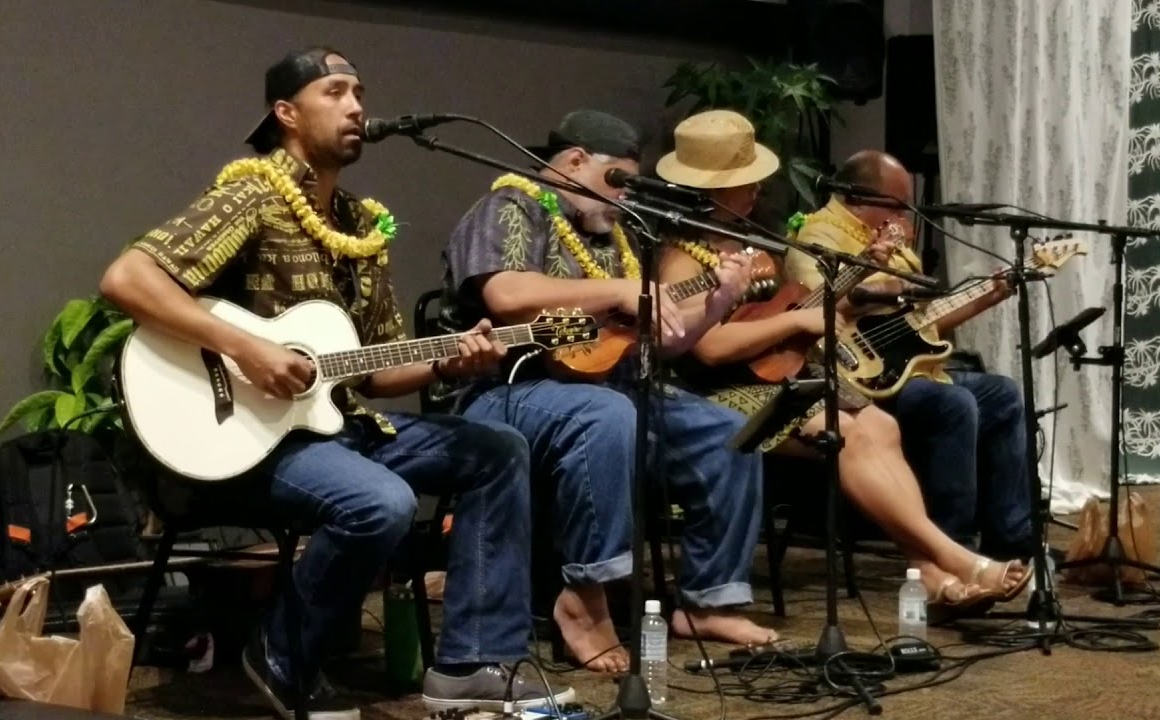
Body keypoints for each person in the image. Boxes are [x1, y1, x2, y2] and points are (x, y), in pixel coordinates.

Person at [100, 48, 571, 720]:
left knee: (497, 448)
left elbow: (375, 372)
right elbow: (127, 280)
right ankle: (281, 654)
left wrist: (449, 360)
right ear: (286, 113)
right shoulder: (252, 194)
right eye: (335, 91)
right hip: (247, 440)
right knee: (380, 503)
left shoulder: (360, 225)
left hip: (337, 426)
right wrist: (248, 347)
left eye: (359, 92)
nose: (356, 106)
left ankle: (470, 665)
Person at [655, 110, 1029, 615]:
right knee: (849, 430)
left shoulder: (749, 241)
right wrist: (793, 326)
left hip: (778, 371)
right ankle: (947, 559)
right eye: (745, 183)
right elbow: (708, 349)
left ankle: (935, 576)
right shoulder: (681, 254)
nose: (758, 190)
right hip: (719, 388)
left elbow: (801, 308)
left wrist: (843, 290)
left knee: (880, 426)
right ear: (713, 189)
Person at [440, 109, 773, 674]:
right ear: (574, 161)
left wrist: (717, 302)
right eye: (614, 179)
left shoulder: (612, 232)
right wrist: (620, 287)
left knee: (726, 430)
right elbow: (505, 292)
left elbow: (657, 344)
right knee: (607, 416)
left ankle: (709, 600)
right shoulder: (510, 206)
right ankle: (586, 600)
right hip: (510, 386)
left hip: (611, 385)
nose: (620, 198)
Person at [784, 150, 1037, 564]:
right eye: (897, 204)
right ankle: (950, 550)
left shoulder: (894, 238)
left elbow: (922, 321)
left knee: (1003, 394)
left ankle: (1012, 538)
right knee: (953, 404)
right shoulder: (819, 235)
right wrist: (883, 280)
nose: (904, 214)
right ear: (859, 197)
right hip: (854, 375)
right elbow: (817, 308)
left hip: (910, 368)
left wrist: (988, 295)